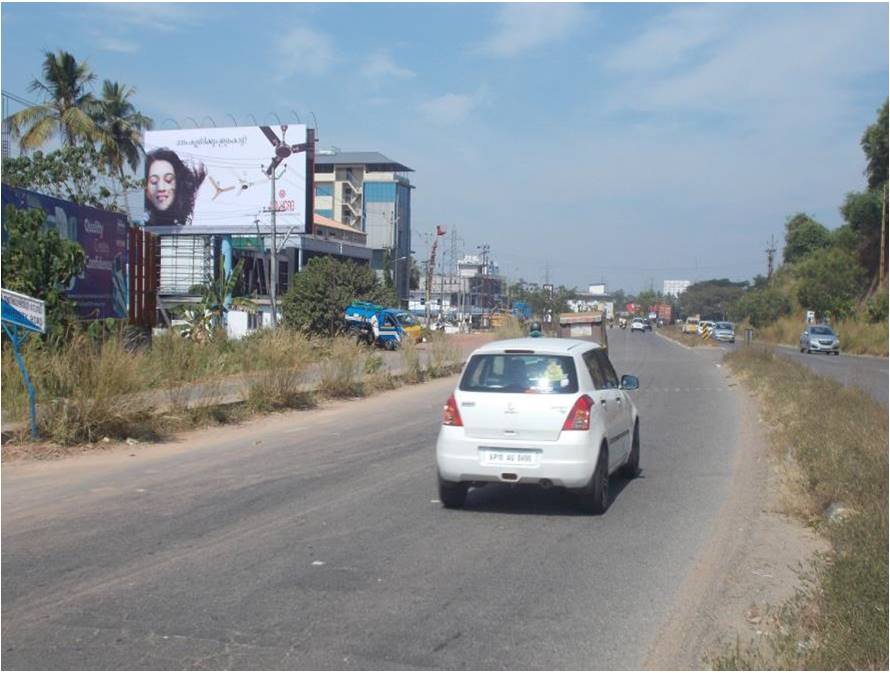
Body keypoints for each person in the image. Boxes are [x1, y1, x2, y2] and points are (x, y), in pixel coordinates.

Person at [144, 148, 207, 226]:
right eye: (154, 181)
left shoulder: (186, 230)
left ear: (178, 184)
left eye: (168, 180)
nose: (161, 188)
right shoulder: (139, 228)